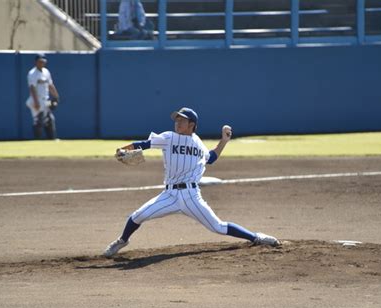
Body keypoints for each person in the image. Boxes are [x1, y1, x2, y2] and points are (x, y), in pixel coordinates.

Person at [104, 107, 281, 258]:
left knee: (218, 227)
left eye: (182, 120)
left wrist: (224, 141)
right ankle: (122, 241)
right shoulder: (168, 138)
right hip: (169, 195)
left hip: (191, 196)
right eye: (177, 119)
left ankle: (256, 237)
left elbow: (210, 158)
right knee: (137, 216)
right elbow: (144, 144)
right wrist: (124, 149)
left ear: (192, 125)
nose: (178, 122)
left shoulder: (197, 143)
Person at [26, 53, 60, 139]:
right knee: (38, 121)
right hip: (36, 100)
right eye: (40, 61)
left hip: (46, 100)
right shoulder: (32, 73)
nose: (42, 63)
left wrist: (56, 96)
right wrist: (36, 102)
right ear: (36, 62)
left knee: (49, 119)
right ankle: (38, 142)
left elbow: (50, 85)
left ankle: (51, 140)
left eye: (43, 62)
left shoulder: (46, 72)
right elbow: (32, 88)